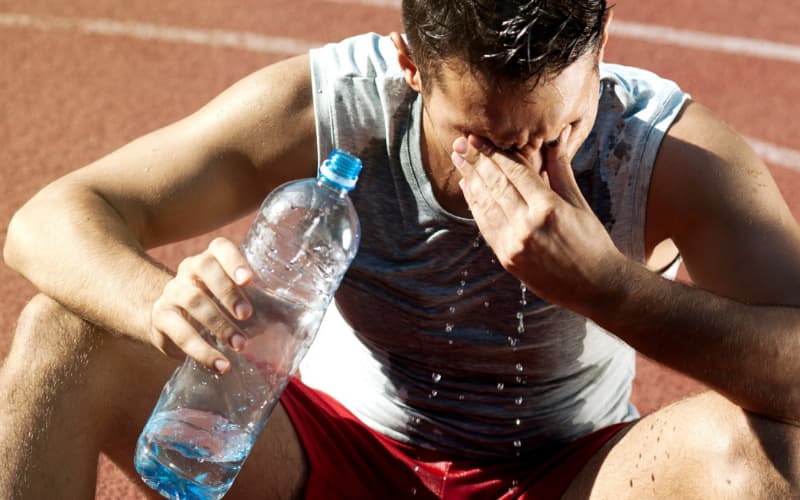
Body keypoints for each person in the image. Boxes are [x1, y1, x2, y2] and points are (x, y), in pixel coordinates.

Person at [2, 0, 799, 498]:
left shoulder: (664, 153)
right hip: (334, 455)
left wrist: (609, 290)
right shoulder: (331, 106)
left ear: (601, 45)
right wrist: (160, 302)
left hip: (566, 475)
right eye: (483, 138)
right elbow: (46, 220)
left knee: (771, 455)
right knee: (65, 331)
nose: (522, 166)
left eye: (558, 132)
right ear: (410, 62)